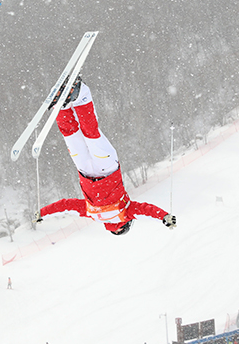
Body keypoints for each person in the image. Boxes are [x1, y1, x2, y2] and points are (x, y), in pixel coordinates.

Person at [35, 77, 177, 235]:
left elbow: (146, 211)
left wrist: (164, 217)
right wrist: (43, 213)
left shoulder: (123, 213)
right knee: (81, 136)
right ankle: (77, 99)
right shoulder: (111, 214)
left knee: (82, 135)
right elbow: (68, 206)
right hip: (93, 171)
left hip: (99, 169)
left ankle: (65, 106)